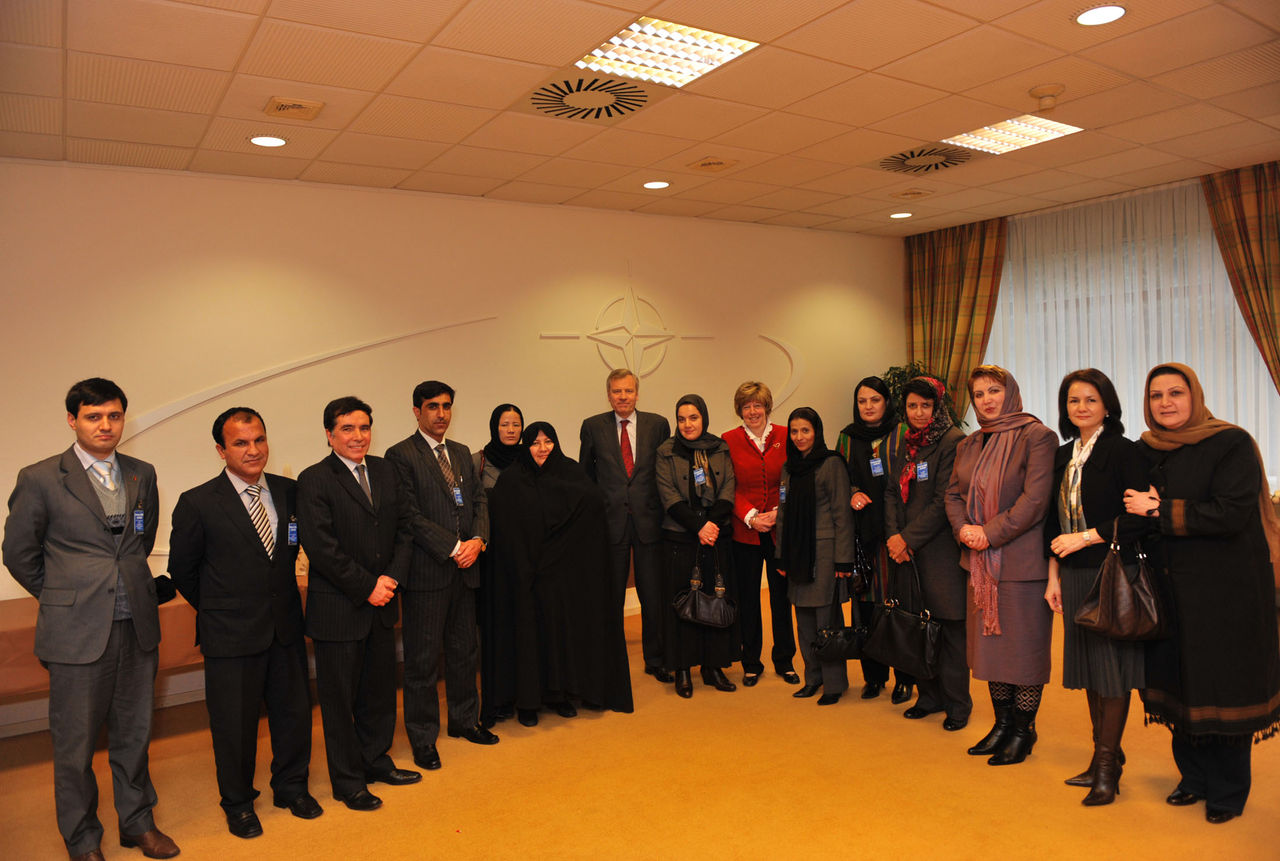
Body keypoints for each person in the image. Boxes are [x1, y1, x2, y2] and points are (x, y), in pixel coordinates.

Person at [3, 378, 180, 861]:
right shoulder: (40, 478)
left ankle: (137, 823)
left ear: (124, 418)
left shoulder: (142, 473)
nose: (106, 425)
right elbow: (19, 553)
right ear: (72, 420)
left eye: (114, 416)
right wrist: (63, 594)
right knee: (75, 747)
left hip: (137, 625)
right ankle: (82, 840)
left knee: (135, 734)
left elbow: (138, 543)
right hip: (76, 632)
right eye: (94, 416)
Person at [1123, 363, 1280, 824]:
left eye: (1176, 393)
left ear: (1195, 396)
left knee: (1221, 689)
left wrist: (1159, 508)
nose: (1166, 403)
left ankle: (1228, 792)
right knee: (1178, 685)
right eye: (1156, 395)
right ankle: (1192, 779)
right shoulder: (1148, 450)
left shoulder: (1230, 443)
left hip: (1225, 594)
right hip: (1170, 591)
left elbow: (1229, 513)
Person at [168, 407, 321, 838]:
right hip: (230, 635)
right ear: (221, 450)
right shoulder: (197, 502)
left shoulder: (291, 492)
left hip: (286, 626)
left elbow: (293, 551)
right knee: (234, 726)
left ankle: (291, 787)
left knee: (293, 715)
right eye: (240, 443)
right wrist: (222, 609)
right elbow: (184, 571)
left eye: (259, 439)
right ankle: (237, 803)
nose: (253, 450)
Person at [297, 397, 419, 812]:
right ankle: (348, 781)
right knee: (339, 701)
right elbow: (321, 546)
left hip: (383, 602)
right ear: (330, 434)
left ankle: (375, 760)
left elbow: (405, 529)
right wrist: (368, 586)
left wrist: (393, 579)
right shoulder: (314, 478)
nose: (358, 436)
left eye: (364, 427)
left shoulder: (385, 470)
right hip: (340, 607)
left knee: (379, 693)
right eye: (347, 429)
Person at [1043, 369, 1148, 806]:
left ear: (1107, 405)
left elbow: (1139, 518)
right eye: (1073, 401)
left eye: (1090, 399)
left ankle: (1107, 768)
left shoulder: (1125, 451)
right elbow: (1052, 520)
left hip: (1111, 570)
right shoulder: (1063, 454)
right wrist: (1053, 577)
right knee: (1089, 668)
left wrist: (1086, 537)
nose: (1081, 407)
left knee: (1111, 670)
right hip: (1072, 572)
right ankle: (1104, 755)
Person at [945, 365, 1057, 766]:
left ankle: (1023, 731)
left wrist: (989, 533)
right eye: (979, 394)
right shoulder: (969, 444)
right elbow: (953, 495)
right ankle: (1002, 724)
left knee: (1023, 651)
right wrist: (965, 532)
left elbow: (1035, 500)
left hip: (1022, 563)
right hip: (979, 565)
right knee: (991, 650)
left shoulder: (1038, 436)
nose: (987, 400)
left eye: (994, 390)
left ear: (1010, 393)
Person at [385, 381, 497, 773]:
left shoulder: (463, 452)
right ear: (416, 411)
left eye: (447, 406)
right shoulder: (400, 455)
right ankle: (422, 738)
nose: (441, 414)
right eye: (432, 407)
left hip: (467, 569)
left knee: (466, 652)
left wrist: (478, 539)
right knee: (423, 660)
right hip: (429, 572)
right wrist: (453, 547)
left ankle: (466, 721)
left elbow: (479, 500)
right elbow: (409, 515)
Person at [488, 422, 634, 722]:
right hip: (527, 578)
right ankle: (529, 702)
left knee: (562, 636)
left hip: (563, 578)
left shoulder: (571, 474)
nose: (542, 449)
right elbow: (505, 530)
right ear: (526, 447)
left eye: (548, 442)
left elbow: (592, 514)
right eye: (535, 443)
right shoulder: (512, 481)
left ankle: (562, 696)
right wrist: (528, 563)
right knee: (530, 637)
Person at [883, 376, 970, 731]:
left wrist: (907, 538)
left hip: (939, 552)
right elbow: (891, 491)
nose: (919, 413)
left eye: (926, 406)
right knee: (920, 625)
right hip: (905, 550)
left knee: (949, 631)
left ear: (938, 408)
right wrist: (893, 536)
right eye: (912, 406)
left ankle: (957, 705)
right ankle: (929, 696)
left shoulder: (953, 441)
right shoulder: (907, 441)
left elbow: (942, 502)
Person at [579, 369, 672, 682]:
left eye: (628, 391)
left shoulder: (658, 425)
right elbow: (586, 479)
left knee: (653, 595)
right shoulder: (592, 426)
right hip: (611, 523)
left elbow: (665, 473)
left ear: (637, 393)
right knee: (611, 596)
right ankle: (610, 659)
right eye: (617, 391)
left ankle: (656, 658)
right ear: (608, 394)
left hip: (649, 522)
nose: (622, 397)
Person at [655, 395, 739, 698]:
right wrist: (698, 526)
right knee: (683, 604)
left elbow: (729, 485)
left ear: (703, 418)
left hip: (716, 536)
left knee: (714, 600)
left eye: (693, 417)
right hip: (681, 535)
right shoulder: (666, 451)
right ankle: (682, 669)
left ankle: (713, 666)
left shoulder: (719, 448)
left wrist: (712, 524)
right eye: (681, 419)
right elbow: (668, 495)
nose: (687, 424)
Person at [836, 376, 913, 704]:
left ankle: (905, 678)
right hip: (863, 537)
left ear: (887, 402)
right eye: (862, 401)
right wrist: (852, 493)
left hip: (897, 535)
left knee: (900, 607)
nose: (868, 407)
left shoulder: (905, 433)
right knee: (866, 608)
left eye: (875, 400)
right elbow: (841, 479)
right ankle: (873, 677)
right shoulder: (847, 437)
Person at [722, 381, 799, 687]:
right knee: (748, 599)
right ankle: (751, 661)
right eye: (746, 406)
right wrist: (752, 517)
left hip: (781, 530)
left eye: (757, 405)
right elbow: (728, 485)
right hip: (746, 531)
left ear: (767, 406)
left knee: (782, 598)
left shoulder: (786, 435)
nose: (752, 411)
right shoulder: (728, 440)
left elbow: (795, 478)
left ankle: (785, 660)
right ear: (739, 410)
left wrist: (780, 513)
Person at [777, 407, 856, 706]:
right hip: (796, 554)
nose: (799, 437)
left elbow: (842, 515)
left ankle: (834, 683)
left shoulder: (831, 463)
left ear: (817, 432)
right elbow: (782, 516)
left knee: (827, 620)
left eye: (805, 431)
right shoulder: (789, 468)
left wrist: (843, 561)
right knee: (804, 621)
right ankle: (813, 678)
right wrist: (780, 557)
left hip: (824, 554)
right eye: (794, 431)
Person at [473, 403, 523, 728]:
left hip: (524, 559)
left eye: (516, 424)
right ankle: (497, 700)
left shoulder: (531, 458)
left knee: (524, 628)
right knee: (495, 632)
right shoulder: (477, 461)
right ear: (495, 426)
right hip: (491, 560)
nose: (510, 430)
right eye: (505, 424)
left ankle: (525, 695)